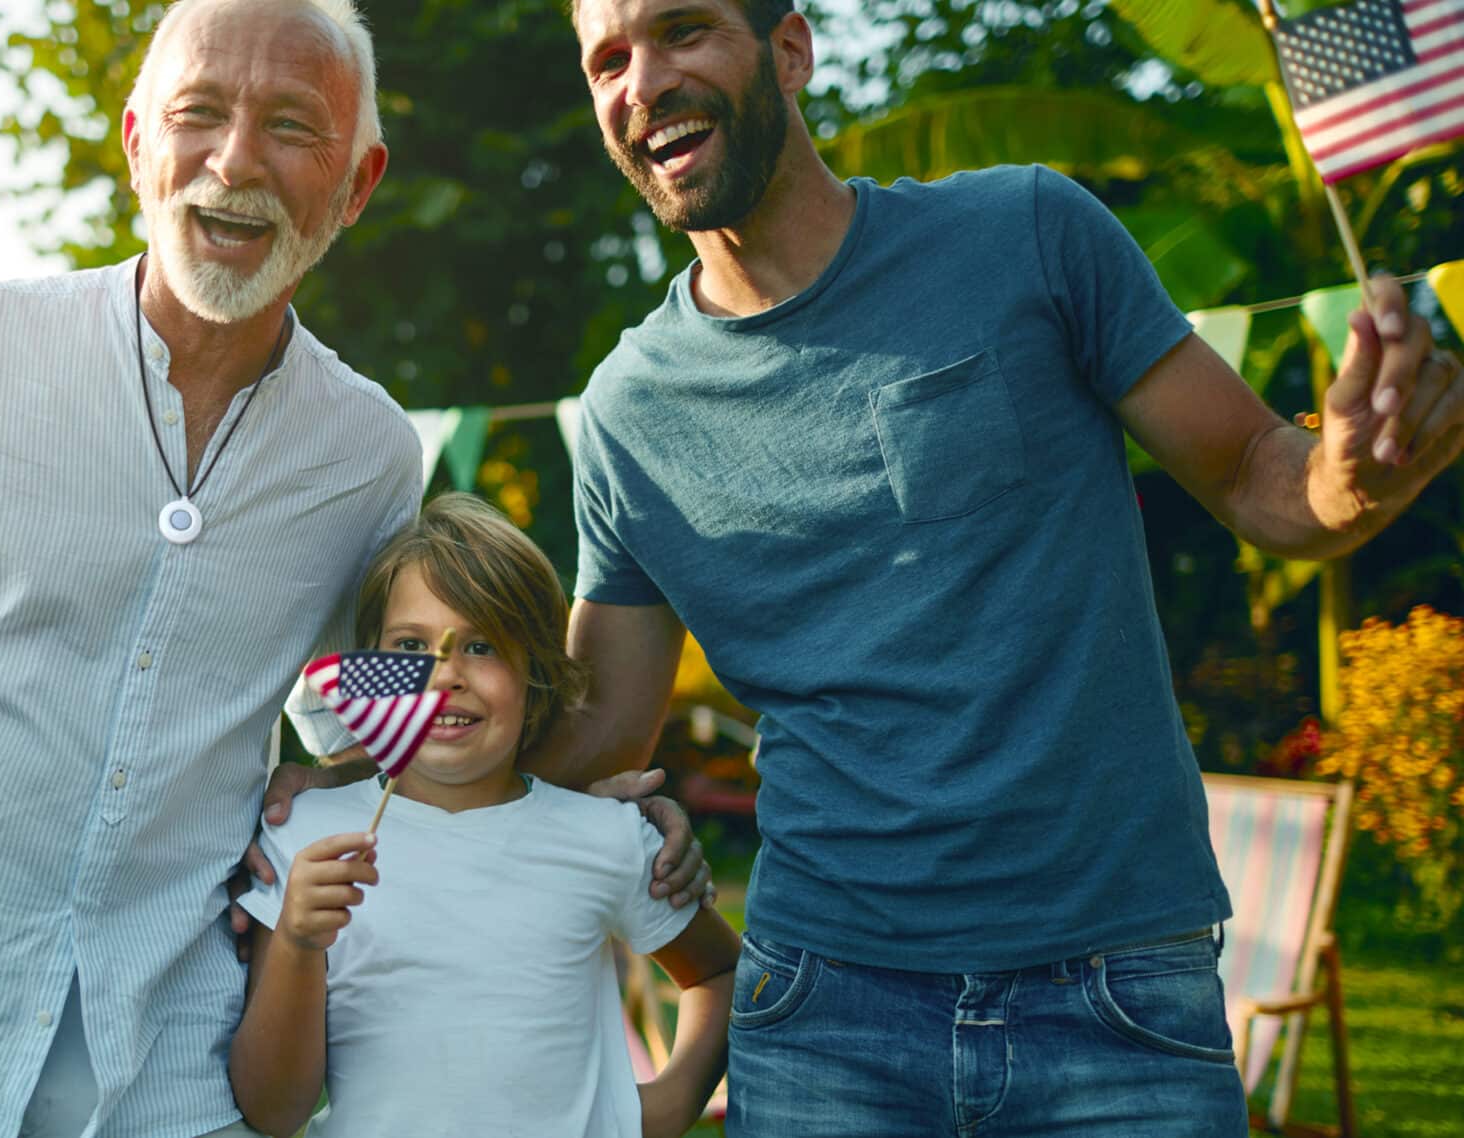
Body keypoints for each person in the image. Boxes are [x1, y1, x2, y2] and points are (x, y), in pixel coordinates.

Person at [0, 2, 702, 1135]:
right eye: (198, 115)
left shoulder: (372, 454)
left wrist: (568, 809)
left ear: (357, 182)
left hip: (167, 1052)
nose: (234, 162)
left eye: (291, 125)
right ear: (138, 142)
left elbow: (366, 729)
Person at [547, 0, 1464, 1134]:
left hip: (1116, 994)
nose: (641, 81)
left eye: (682, 31)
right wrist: (346, 758)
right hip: (824, 1013)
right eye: (606, 60)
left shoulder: (1027, 232)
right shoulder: (626, 414)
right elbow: (592, 739)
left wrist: (1349, 476)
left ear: (788, 52)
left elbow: (1250, 475)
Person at [227, 493, 740, 1138]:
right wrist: (300, 945)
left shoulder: (605, 836)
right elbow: (274, 1112)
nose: (444, 676)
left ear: (538, 677)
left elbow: (720, 971)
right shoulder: (305, 838)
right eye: (410, 646)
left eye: (480, 645)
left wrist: (664, 1106)